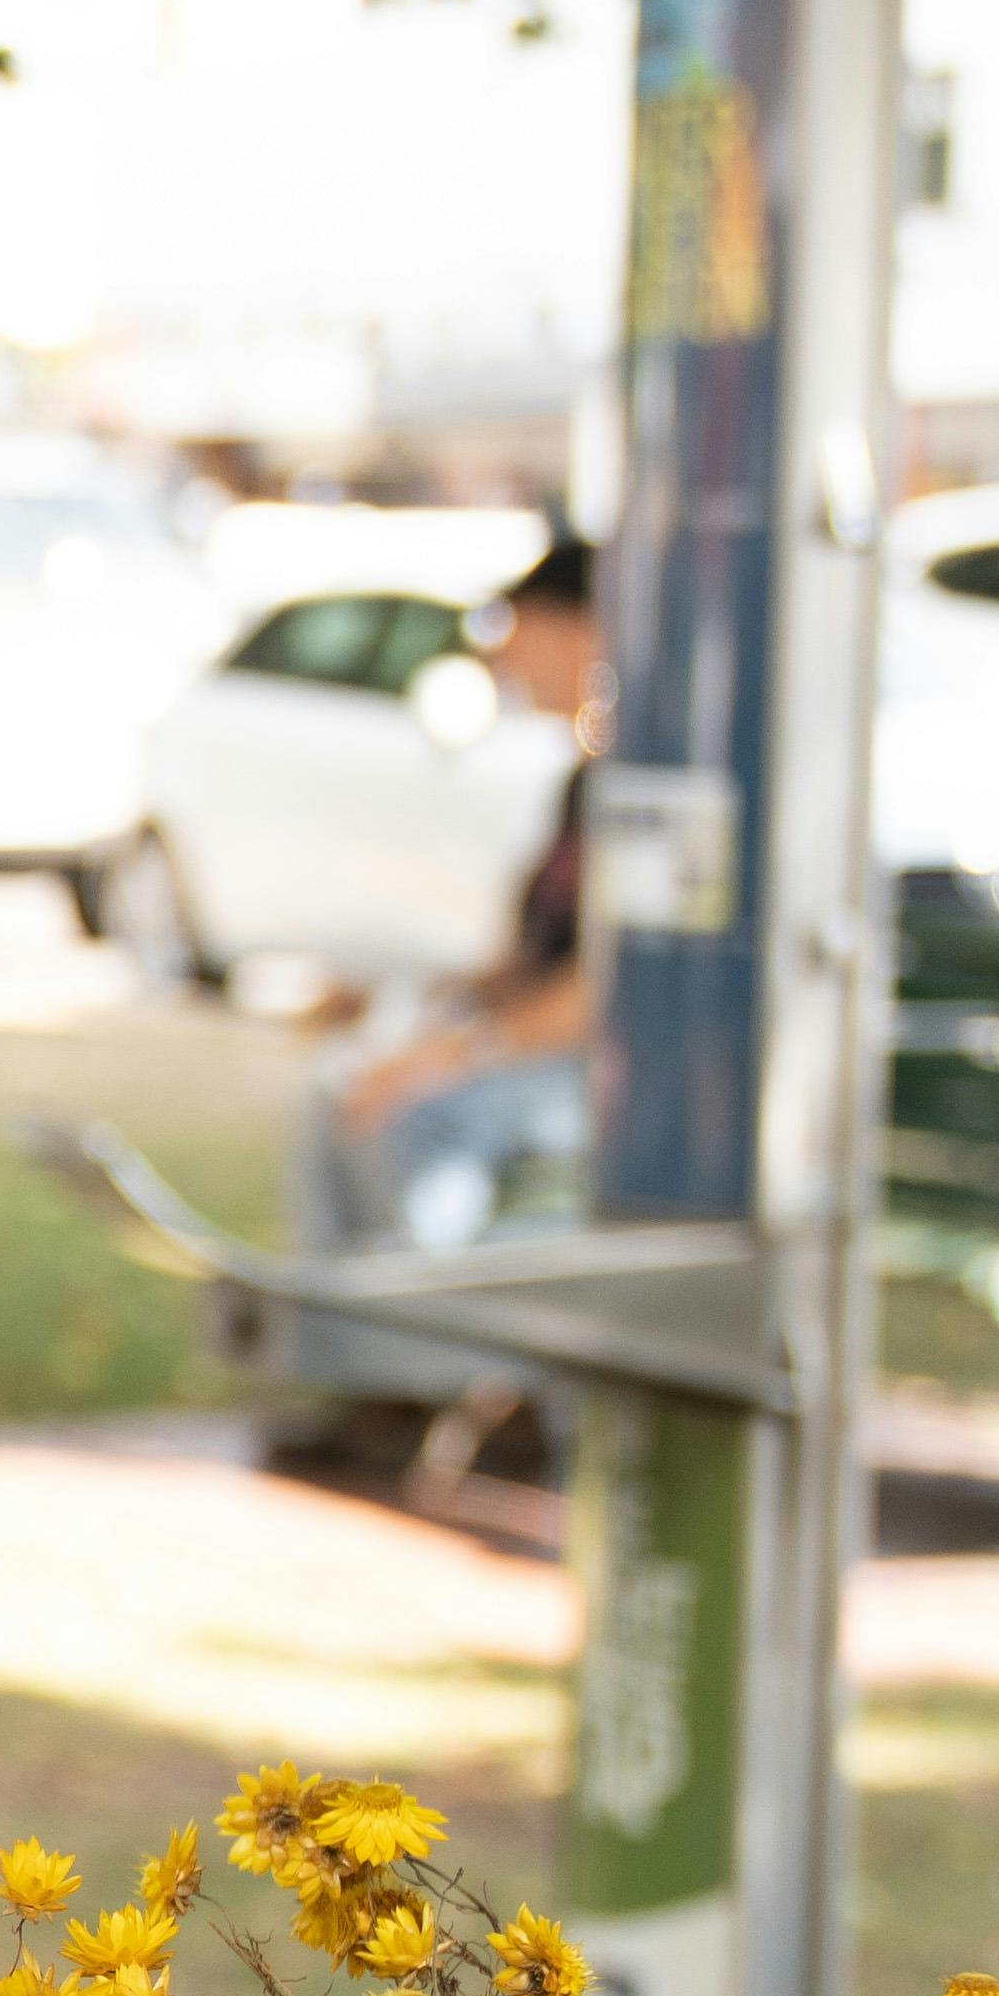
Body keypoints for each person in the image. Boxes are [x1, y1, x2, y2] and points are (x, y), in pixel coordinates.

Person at [278, 528, 611, 1446]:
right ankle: (377, 1379)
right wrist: (392, 994)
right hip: (538, 1050)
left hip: (596, 1072)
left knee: (411, 1119)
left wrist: (450, 1056)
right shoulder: (582, 782)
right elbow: (524, 962)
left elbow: (599, 994)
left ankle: (454, 1378)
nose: (501, 659)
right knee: (339, 1096)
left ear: (579, 630)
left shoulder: (639, 787)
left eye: (518, 631)